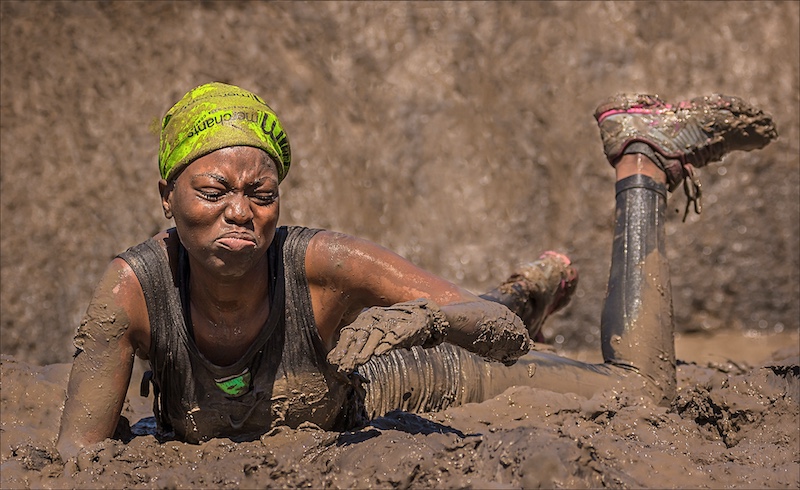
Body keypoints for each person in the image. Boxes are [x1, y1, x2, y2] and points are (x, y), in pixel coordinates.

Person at [56, 83, 777, 458]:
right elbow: (79, 457)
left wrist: (429, 319)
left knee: (641, 394)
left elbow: (486, 331)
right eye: (213, 193)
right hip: (419, 346)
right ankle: (530, 287)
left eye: (261, 193)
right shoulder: (132, 296)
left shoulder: (323, 263)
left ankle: (642, 159)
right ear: (167, 198)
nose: (239, 212)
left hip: (429, 380)